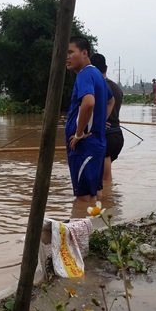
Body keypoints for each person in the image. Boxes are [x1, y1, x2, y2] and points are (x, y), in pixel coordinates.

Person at [65, 37, 114, 201]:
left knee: (84, 198)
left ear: (84, 53)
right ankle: (99, 226)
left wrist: (79, 133)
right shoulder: (97, 74)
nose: (67, 57)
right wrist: (98, 124)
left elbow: (88, 103)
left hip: (84, 147)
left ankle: (83, 225)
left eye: (71, 52)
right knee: (95, 195)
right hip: (96, 144)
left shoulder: (84, 74)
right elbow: (110, 100)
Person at [91, 53, 124, 181]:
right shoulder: (116, 87)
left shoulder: (97, 86)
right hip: (117, 134)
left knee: (104, 182)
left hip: (106, 135)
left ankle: (106, 200)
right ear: (106, 67)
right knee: (105, 178)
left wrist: (98, 122)